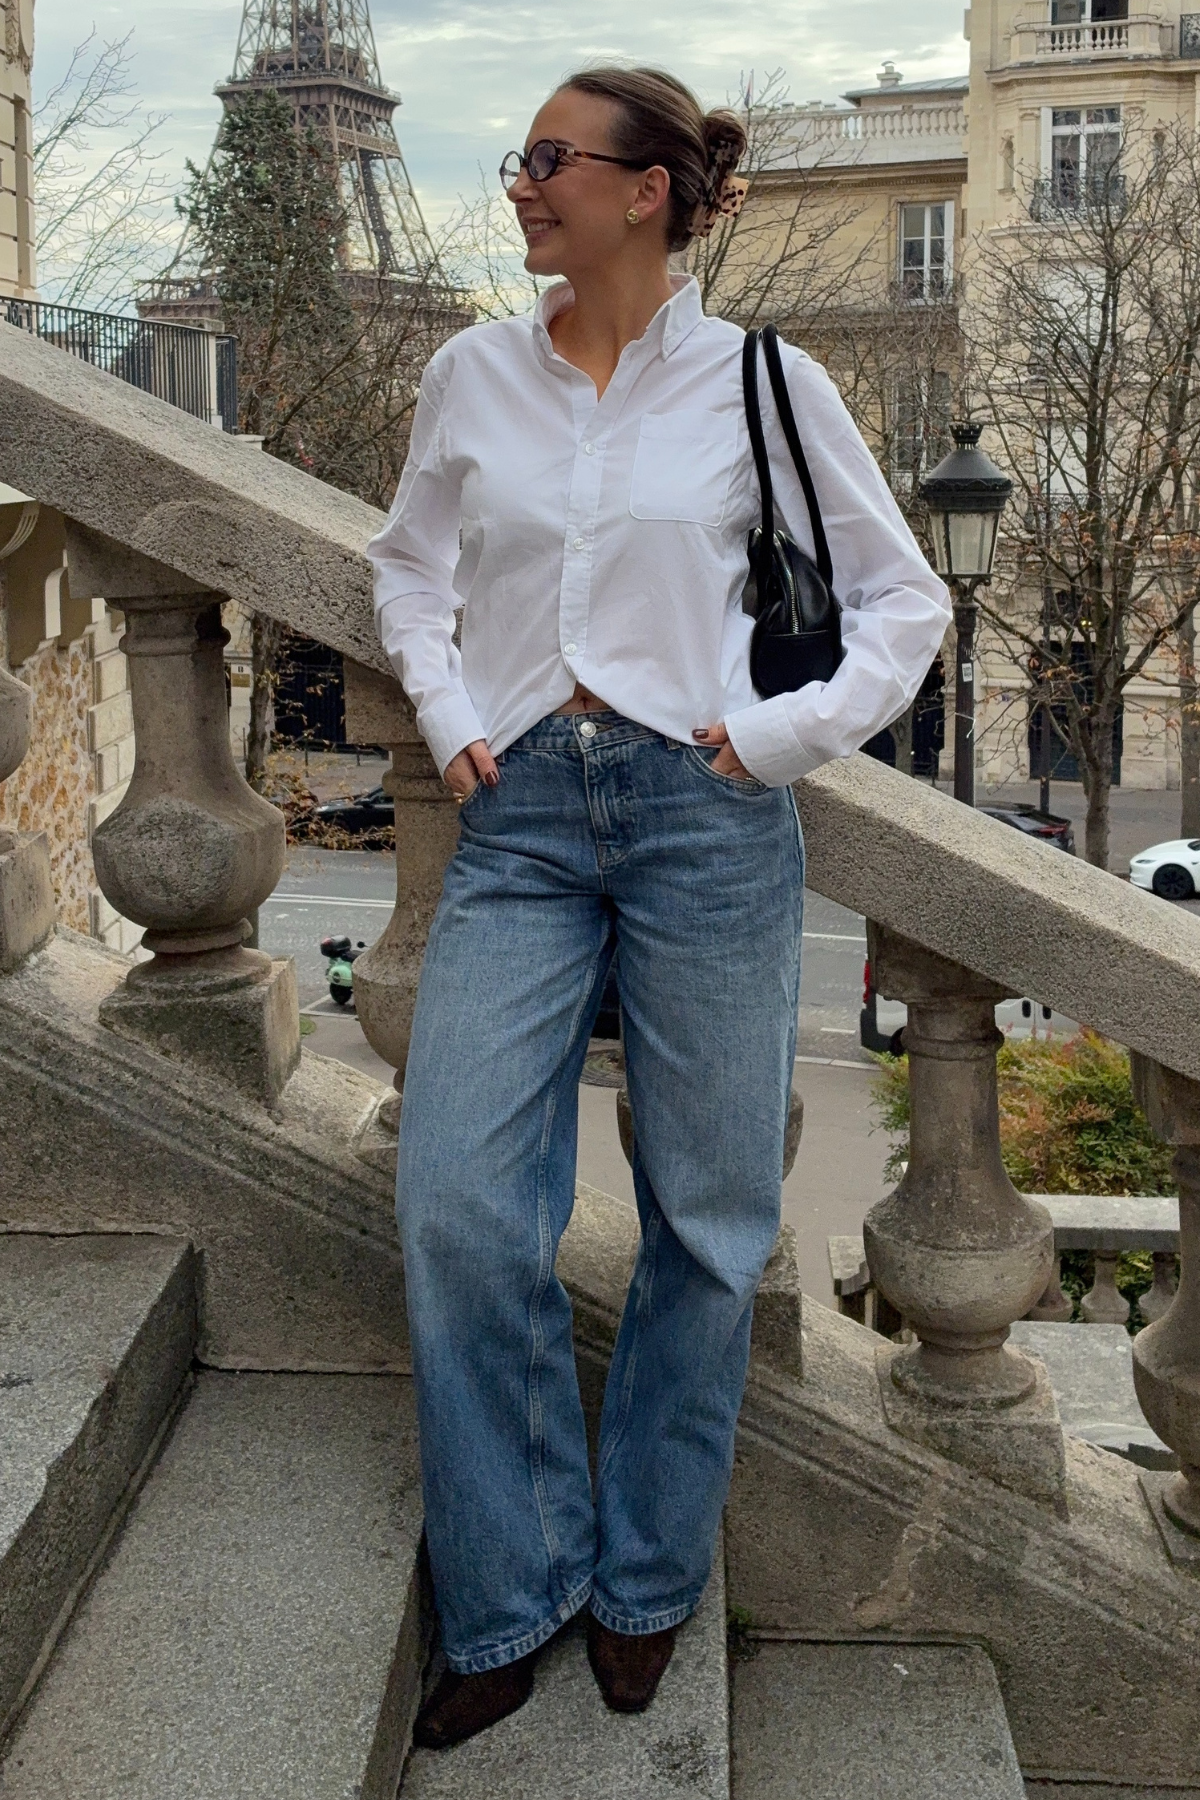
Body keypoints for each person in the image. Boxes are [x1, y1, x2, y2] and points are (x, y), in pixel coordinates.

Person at [368, 64, 950, 1750]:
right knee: (460, 1204)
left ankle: (644, 1573)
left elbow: (905, 604)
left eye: (549, 158)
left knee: (708, 1219)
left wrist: (772, 740)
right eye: (520, 155)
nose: (520, 182)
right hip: (521, 819)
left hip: (705, 818)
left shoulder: (766, 380)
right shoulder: (470, 372)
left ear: (645, 192)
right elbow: (407, 566)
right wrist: (448, 710)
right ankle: (512, 1580)